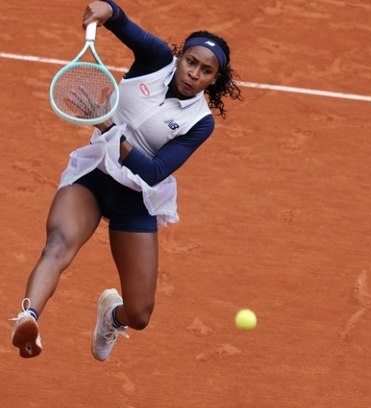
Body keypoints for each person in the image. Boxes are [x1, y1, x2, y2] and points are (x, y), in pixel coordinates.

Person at [10, 0, 241, 361]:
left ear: (214, 80)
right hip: (94, 176)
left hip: (136, 198)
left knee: (140, 314)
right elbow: (121, 21)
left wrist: (107, 125)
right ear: (180, 58)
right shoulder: (155, 60)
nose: (194, 73)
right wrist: (106, 9)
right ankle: (28, 318)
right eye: (191, 62)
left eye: (206, 71)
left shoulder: (200, 122)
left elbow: (153, 171)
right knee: (57, 244)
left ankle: (110, 317)